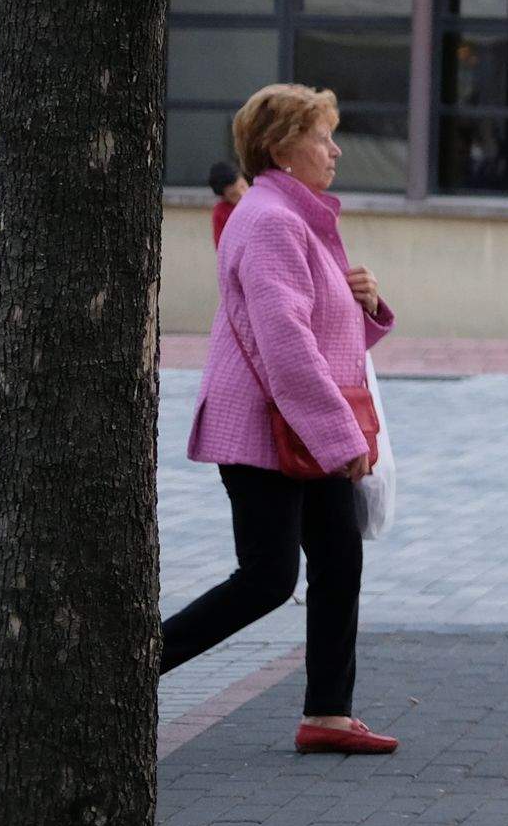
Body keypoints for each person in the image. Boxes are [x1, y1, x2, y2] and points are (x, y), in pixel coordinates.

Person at [161, 83, 398, 754]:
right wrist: (340, 437)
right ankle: (125, 671)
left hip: (300, 426)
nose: (336, 150)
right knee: (267, 579)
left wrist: (362, 301)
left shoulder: (297, 217)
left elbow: (320, 331)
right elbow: (285, 345)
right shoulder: (270, 221)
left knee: (339, 557)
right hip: (266, 430)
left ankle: (328, 715)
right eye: (323, 137)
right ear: (280, 148)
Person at [207, 159, 247, 246]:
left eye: (243, 187)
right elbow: (222, 246)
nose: (242, 195)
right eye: (233, 195)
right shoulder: (221, 213)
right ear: (224, 197)